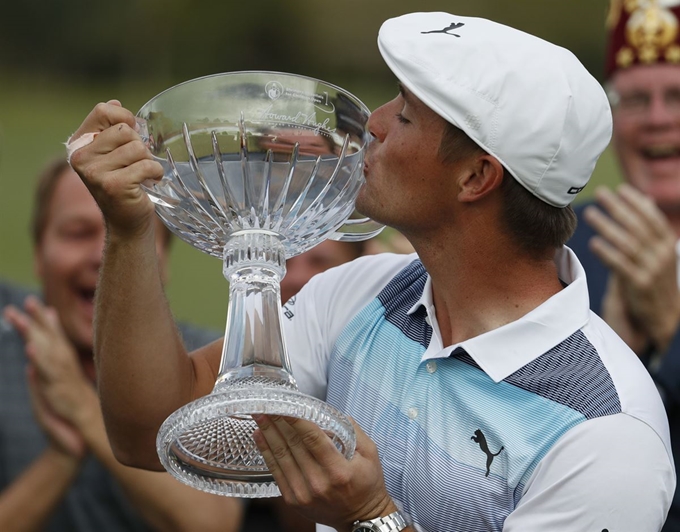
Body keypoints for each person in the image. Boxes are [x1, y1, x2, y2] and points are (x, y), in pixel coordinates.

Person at [67, 11, 675, 532]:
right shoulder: (362, 293)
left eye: (406, 115)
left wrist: (373, 515)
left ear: (476, 178)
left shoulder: (608, 437)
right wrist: (128, 231)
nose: (374, 125)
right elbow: (148, 429)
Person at [0, 158, 244, 531]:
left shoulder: (207, 365)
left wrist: (81, 407)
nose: (103, 254)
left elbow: (213, 523)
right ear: (38, 253)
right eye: (79, 232)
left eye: (131, 232)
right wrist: (62, 457)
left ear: (162, 263)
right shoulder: (7, 354)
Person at [568, 2, 680, 529]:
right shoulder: (556, 240)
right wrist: (616, 349)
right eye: (636, 99)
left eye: (678, 95)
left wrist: (670, 331)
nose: (659, 117)